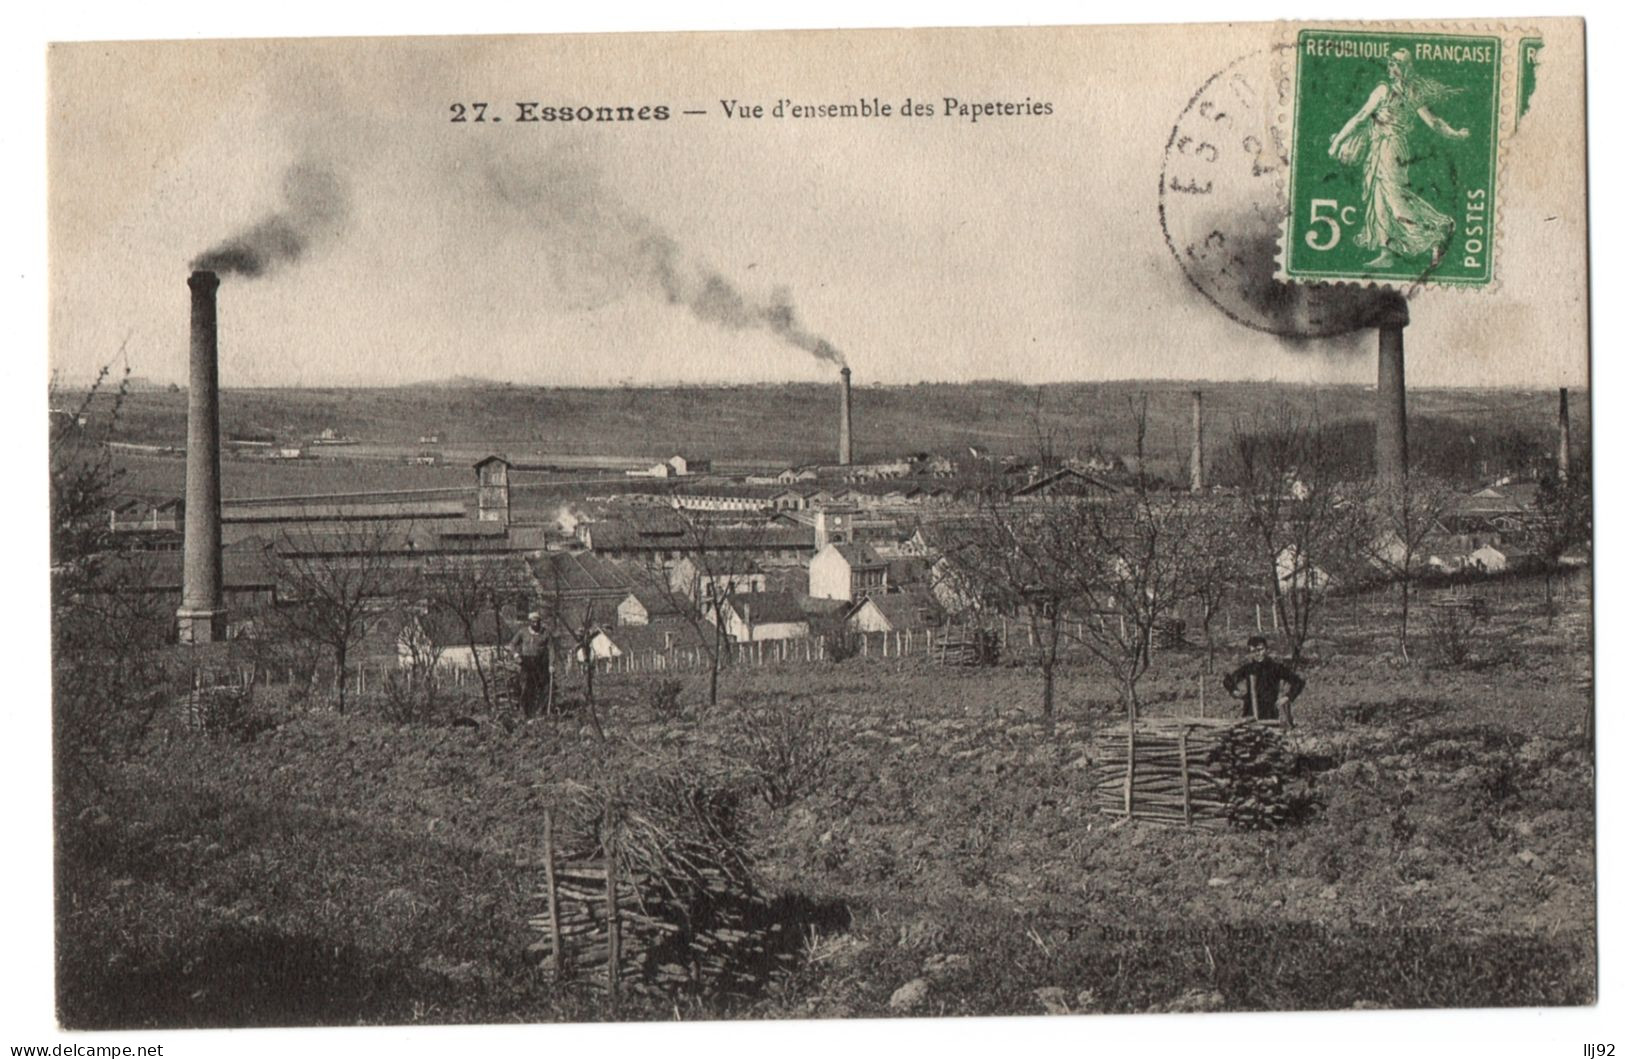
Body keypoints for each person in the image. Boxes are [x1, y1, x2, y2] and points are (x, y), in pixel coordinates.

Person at [1327, 48, 1471, 269]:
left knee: (1395, 199)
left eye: (1395, 64)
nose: (1392, 67)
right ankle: (1387, 252)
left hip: (1389, 148)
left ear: (1402, 68)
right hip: (1385, 148)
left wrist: (1337, 142)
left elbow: (1360, 117)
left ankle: (1436, 233)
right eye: (1391, 63)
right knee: (1380, 199)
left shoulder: (1385, 91)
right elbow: (1434, 123)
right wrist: (1456, 133)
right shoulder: (1410, 92)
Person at [1222, 635, 1306, 727]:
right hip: (1250, 711)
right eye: (1253, 651)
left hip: (1269, 711)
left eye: (1260, 649)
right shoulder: (1248, 668)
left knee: (1269, 737)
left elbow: (1298, 682)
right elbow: (1228, 680)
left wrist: (1287, 697)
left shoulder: (1276, 668)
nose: (1257, 653)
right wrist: (1234, 691)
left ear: (1266, 649)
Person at [508, 611, 551, 719]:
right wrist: (516, 655)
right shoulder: (523, 632)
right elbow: (512, 644)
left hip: (541, 662)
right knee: (526, 686)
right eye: (533, 622)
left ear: (540, 622)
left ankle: (540, 711)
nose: (535, 624)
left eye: (537, 622)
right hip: (526, 662)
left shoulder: (545, 633)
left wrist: (551, 664)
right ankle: (525, 712)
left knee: (543, 686)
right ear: (530, 622)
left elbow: (551, 649)